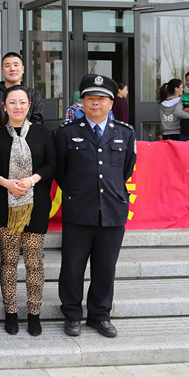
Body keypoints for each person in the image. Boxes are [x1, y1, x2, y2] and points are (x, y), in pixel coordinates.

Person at [54, 74, 136, 338]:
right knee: (72, 267)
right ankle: (72, 314)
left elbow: (126, 170)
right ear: (82, 102)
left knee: (105, 267)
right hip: (79, 210)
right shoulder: (67, 132)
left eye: (101, 99)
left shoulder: (125, 133)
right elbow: (61, 172)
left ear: (111, 103)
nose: (95, 103)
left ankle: (100, 315)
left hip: (112, 210)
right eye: (90, 98)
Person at [0, 85, 55, 337]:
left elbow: (52, 164)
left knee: (34, 262)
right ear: (4, 106)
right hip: (5, 207)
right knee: (8, 261)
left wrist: (32, 180)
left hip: (36, 205)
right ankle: (11, 312)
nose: (17, 106)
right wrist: (6, 183)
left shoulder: (41, 133)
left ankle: (34, 313)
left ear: (29, 105)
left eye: (22, 102)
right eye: (12, 102)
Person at [0, 52, 44, 261]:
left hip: (28, 146)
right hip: (0, 146)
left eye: (16, 64)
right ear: (2, 70)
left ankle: (28, 240)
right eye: (7, 65)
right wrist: (6, 139)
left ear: (23, 69)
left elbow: (37, 119)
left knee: (27, 192)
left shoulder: (33, 93)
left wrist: (23, 139)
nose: (12, 68)